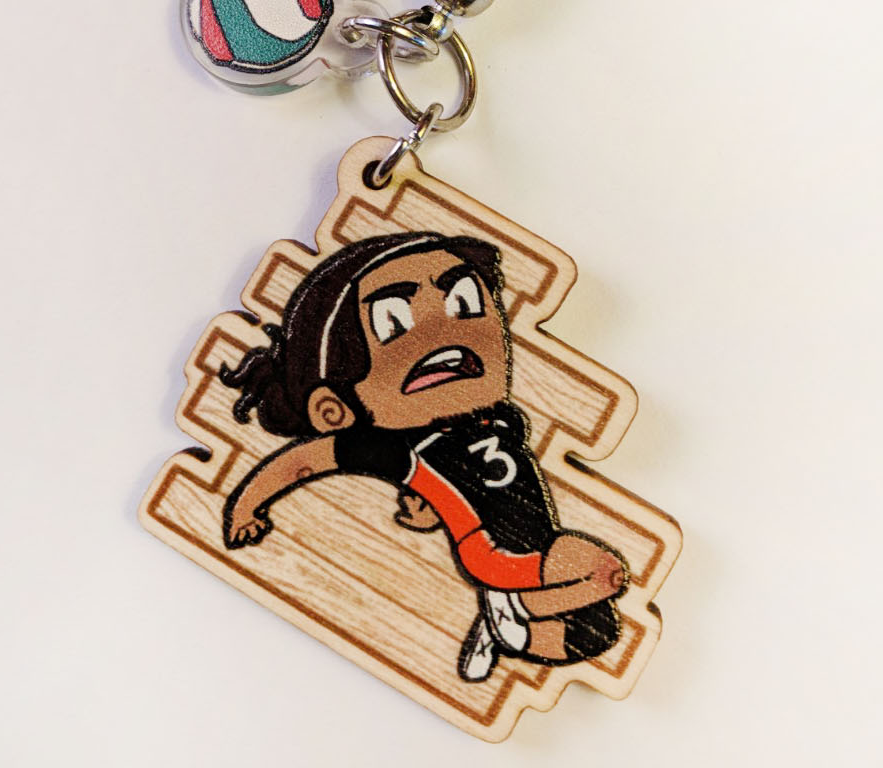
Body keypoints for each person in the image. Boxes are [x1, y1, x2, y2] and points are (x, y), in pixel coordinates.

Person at [220, 230, 627, 681]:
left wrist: (430, 506)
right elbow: (304, 461)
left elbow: (473, 479)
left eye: (465, 302)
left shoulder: (497, 419)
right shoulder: (397, 447)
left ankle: (510, 630)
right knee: (605, 573)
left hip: (537, 540)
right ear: (333, 408)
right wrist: (245, 507)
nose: (442, 329)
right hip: (490, 552)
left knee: (598, 630)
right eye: (393, 321)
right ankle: (508, 610)